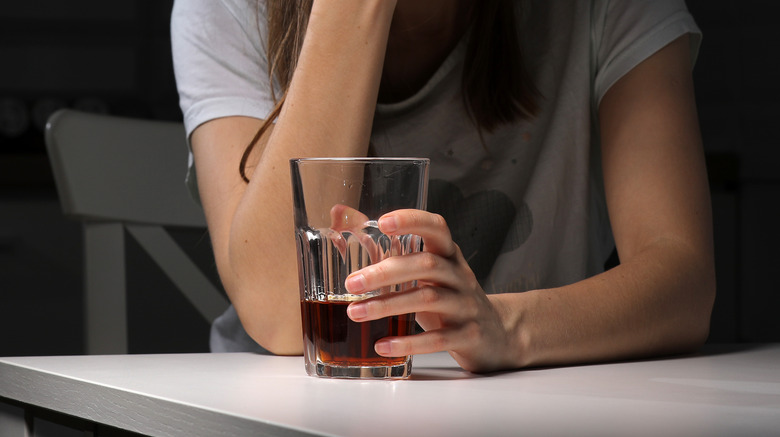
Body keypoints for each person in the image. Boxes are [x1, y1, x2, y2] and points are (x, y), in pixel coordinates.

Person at [171, 0, 716, 372]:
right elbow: (280, 316)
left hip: (537, 402)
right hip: (282, 412)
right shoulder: (226, 10)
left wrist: (506, 326)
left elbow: (683, 280)